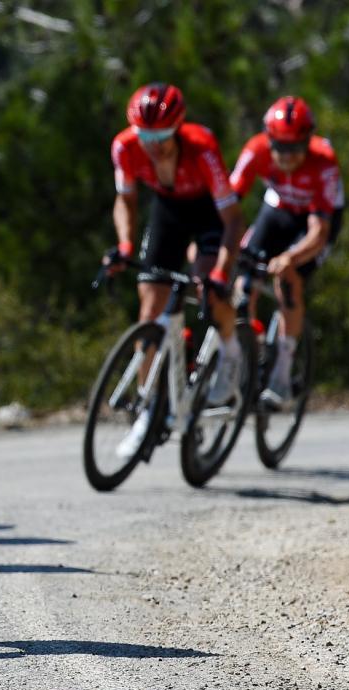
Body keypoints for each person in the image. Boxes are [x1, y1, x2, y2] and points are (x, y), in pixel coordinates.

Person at [107, 83, 246, 461]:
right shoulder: (125, 147)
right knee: (149, 307)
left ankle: (231, 351)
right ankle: (148, 407)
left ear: (178, 128)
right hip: (168, 213)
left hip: (209, 215)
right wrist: (124, 246)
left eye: (162, 136)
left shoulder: (202, 147)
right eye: (145, 135)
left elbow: (232, 219)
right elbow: (126, 200)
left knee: (210, 289)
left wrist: (221, 269)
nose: (153, 144)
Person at [230, 96, 344, 407]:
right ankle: (246, 357)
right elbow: (226, 204)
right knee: (243, 281)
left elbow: (318, 233)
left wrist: (290, 258)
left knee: (287, 280)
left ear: (308, 141)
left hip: (314, 220)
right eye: (279, 146)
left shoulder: (324, 161)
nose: (286, 155)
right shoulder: (255, 150)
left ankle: (282, 372)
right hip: (278, 208)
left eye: (294, 148)